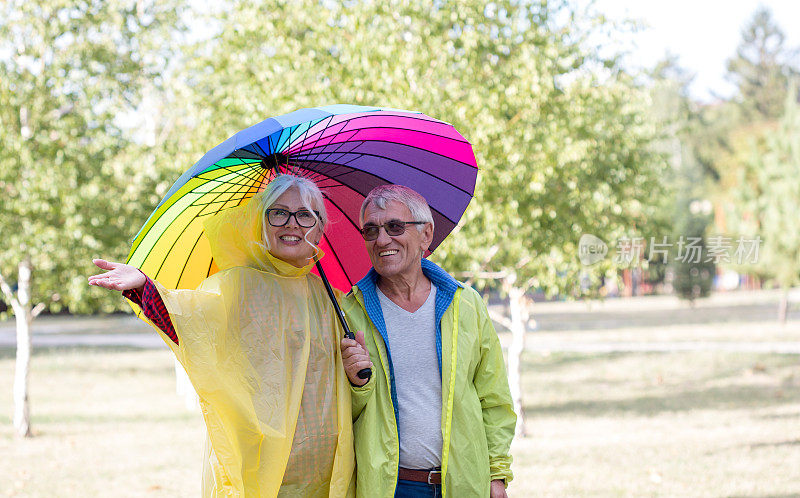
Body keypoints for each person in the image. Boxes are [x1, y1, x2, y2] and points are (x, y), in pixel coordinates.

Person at [88, 174, 354, 497]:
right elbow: (191, 324)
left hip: (324, 476)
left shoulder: (332, 298)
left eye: (304, 215)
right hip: (261, 470)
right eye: (278, 212)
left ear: (320, 227)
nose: (291, 224)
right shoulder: (237, 286)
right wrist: (146, 288)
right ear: (262, 223)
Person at [338, 185, 516, 498]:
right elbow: (338, 416)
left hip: (463, 485)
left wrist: (497, 475)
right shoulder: (348, 313)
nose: (382, 240)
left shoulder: (466, 305)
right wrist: (356, 385)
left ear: (426, 234)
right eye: (370, 230)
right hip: (390, 489)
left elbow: (494, 399)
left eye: (394, 226)